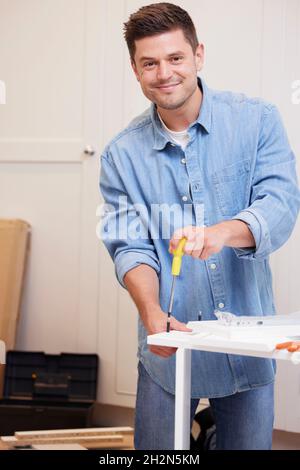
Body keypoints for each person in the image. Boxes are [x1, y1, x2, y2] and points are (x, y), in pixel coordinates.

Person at [99, 2, 300, 450]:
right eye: (149, 63)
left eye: (175, 58)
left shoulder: (257, 120)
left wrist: (220, 233)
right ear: (135, 69)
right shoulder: (120, 156)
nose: (164, 73)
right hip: (166, 350)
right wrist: (151, 313)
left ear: (198, 55)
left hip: (247, 344)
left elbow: (280, 205)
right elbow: (129, 246)